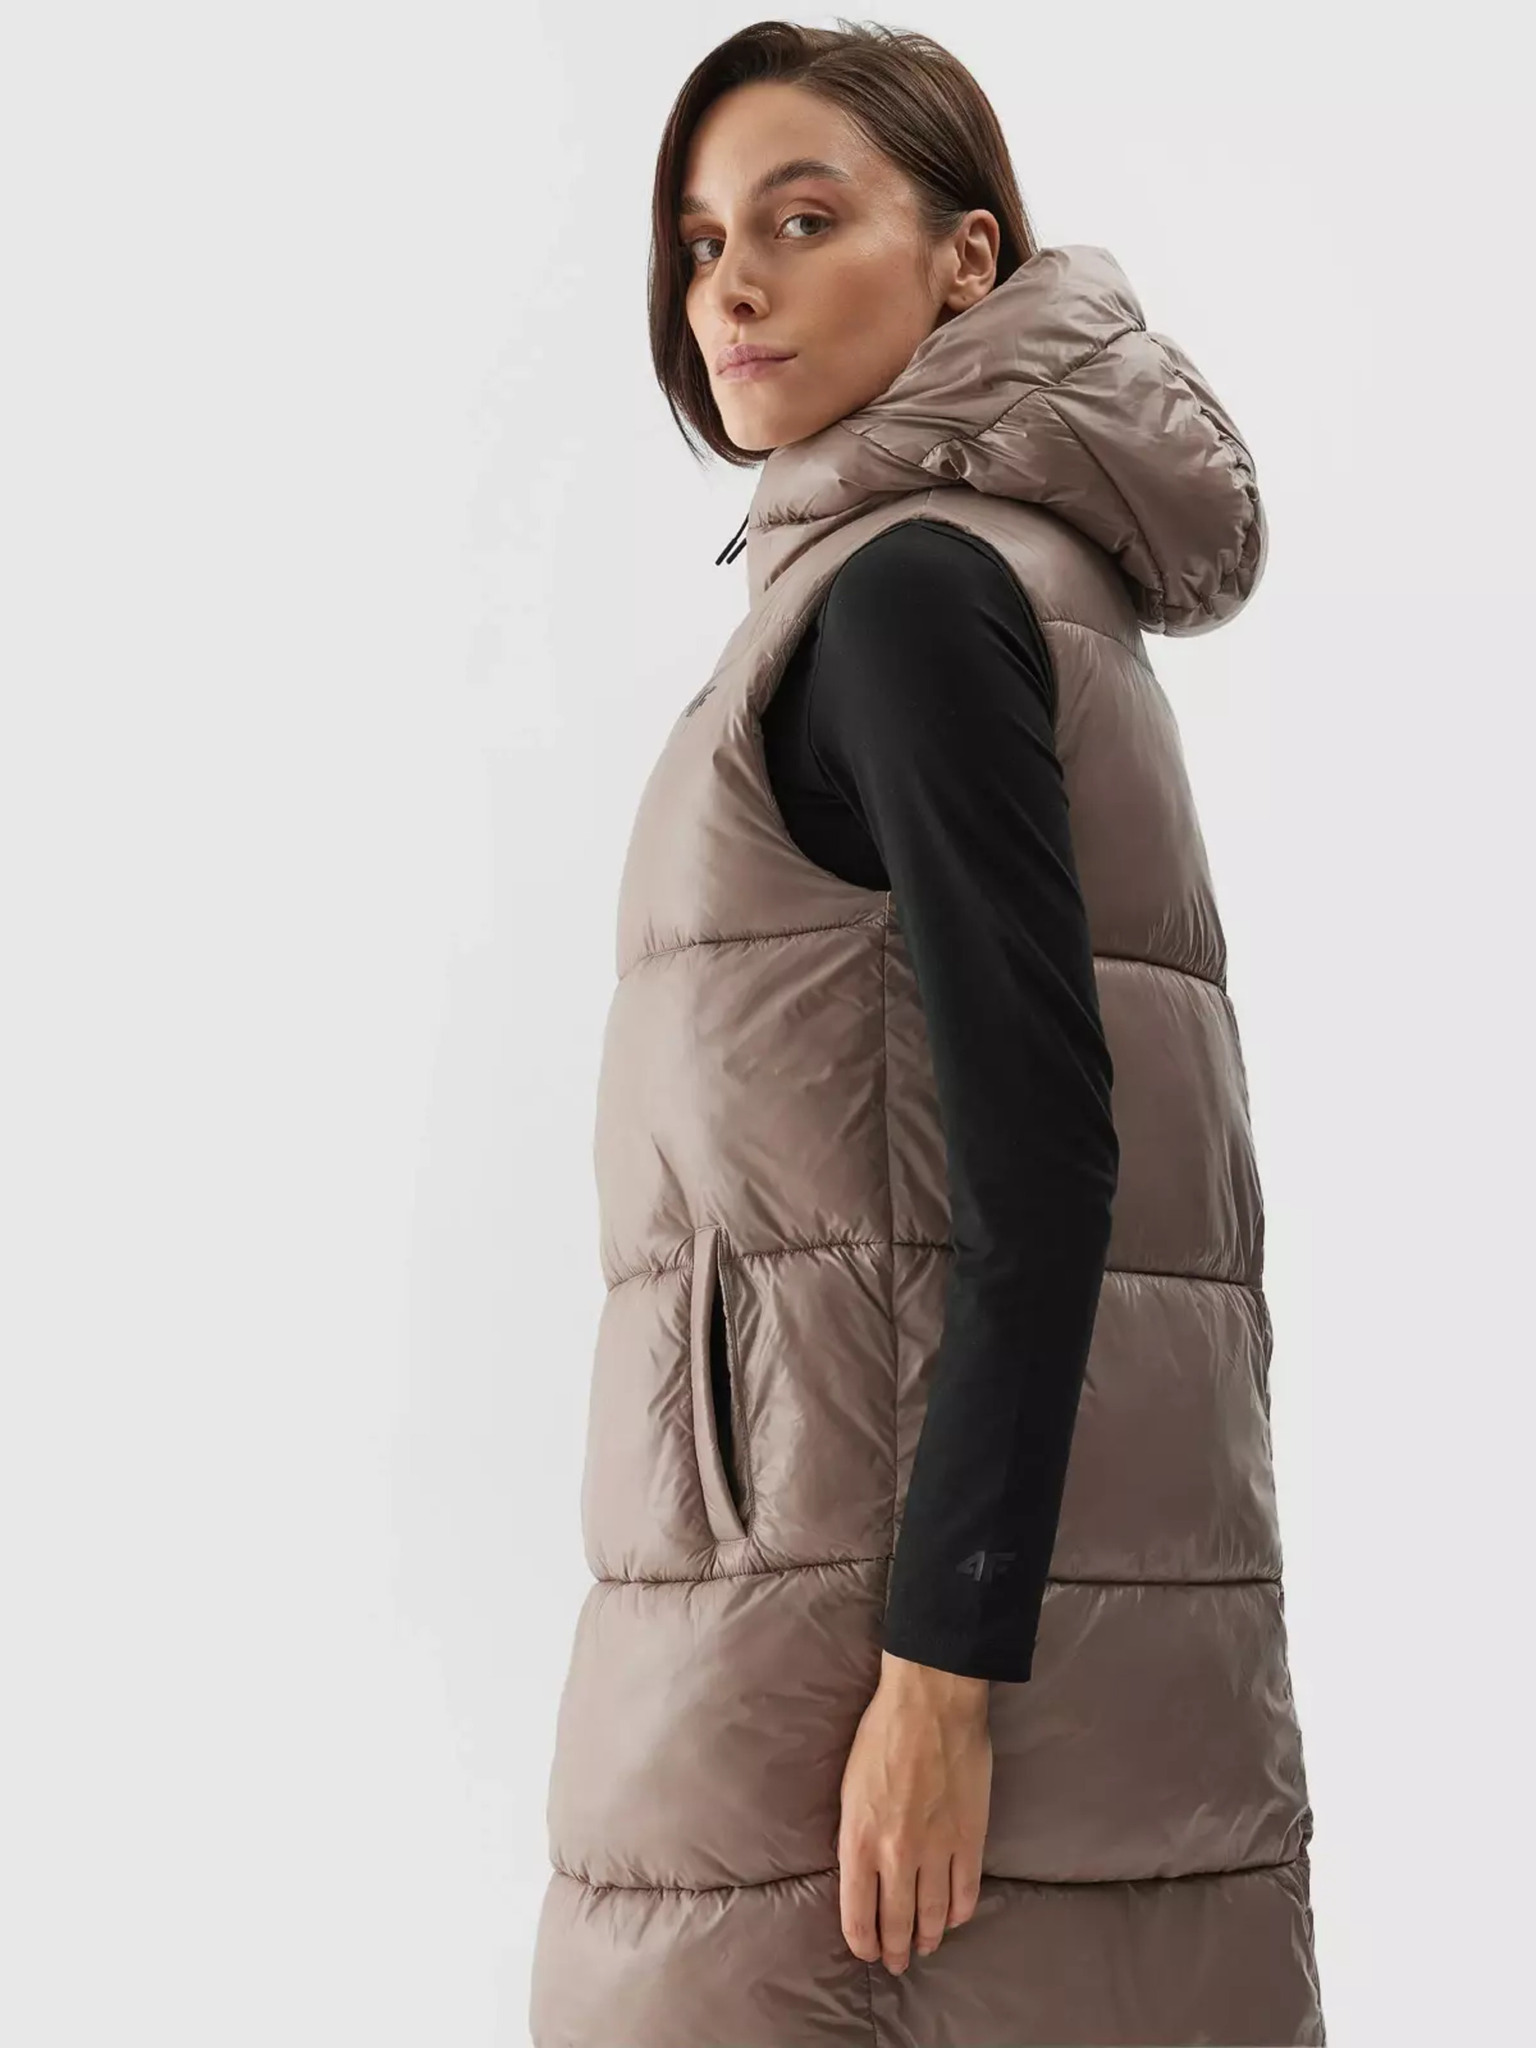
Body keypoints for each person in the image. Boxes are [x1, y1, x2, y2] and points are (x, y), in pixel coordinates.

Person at [531, 21, 1325, 2048]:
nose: (731, 283)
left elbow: (1049, 1163)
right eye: (702, 238)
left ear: (969, 260)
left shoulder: (908, 602)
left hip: (847, 1684)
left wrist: (940, 1680)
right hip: (922, 1629)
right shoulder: (989, 586)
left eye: (804, 220)